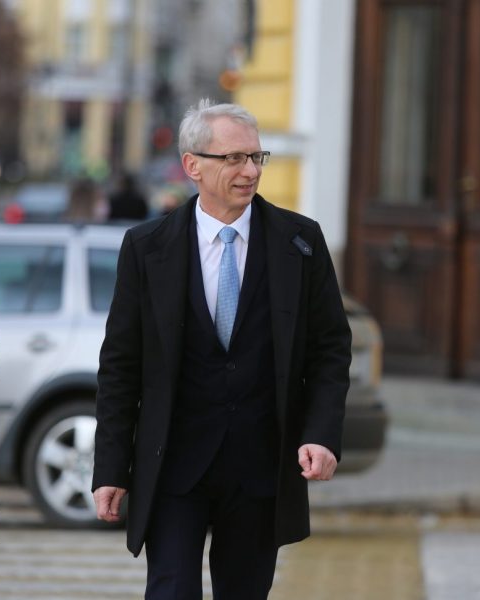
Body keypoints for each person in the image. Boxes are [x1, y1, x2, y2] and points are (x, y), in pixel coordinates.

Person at [92, 99, 351, 599]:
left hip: (260, 468)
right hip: (174, 467)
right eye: (233, 158)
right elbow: (121, 366)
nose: (250, 171)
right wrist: (110, 468)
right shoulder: (147, 247)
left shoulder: (300, 242)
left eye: (256, 157)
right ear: (192, 166)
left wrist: (321, 435)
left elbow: (330, 350)